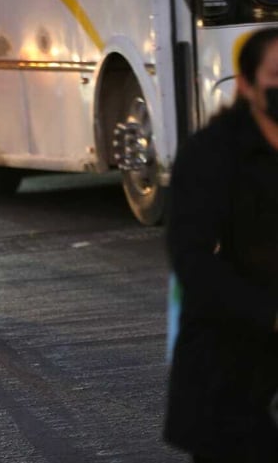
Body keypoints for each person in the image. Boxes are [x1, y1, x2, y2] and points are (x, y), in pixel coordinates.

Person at [164, 27, 278, 461]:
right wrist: (269, 314)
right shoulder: (211, 153)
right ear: (247, 85)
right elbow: (191, 258)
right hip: (228, 367)